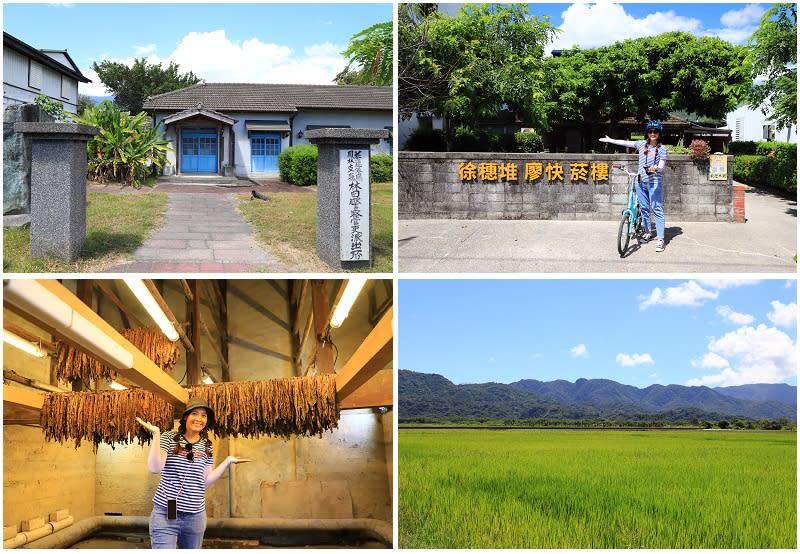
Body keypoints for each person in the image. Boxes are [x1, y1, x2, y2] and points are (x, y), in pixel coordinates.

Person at [136, 398, 252, 549]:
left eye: (203, 416)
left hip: (195, 515)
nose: (199, 419)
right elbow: (155, 468)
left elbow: (205, 482)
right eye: (195, 414)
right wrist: (156, 435)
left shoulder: (206, 446)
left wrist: (227, 462)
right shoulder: (169, 438)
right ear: (186, 417)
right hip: (167, 511)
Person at [600, 120, 668, 252]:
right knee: (643, 208)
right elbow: (625, 142)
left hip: (654, 183)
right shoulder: (641, 144)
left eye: (655, 131)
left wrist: (656, 168)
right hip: (640, 181)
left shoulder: (662, 148)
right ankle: (648, 232)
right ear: (647, 133)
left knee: (656, 208)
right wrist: (610, 140)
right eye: (650, 131)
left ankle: (660, 239)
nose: (652, 134)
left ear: (659, 133)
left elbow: (661, 165)